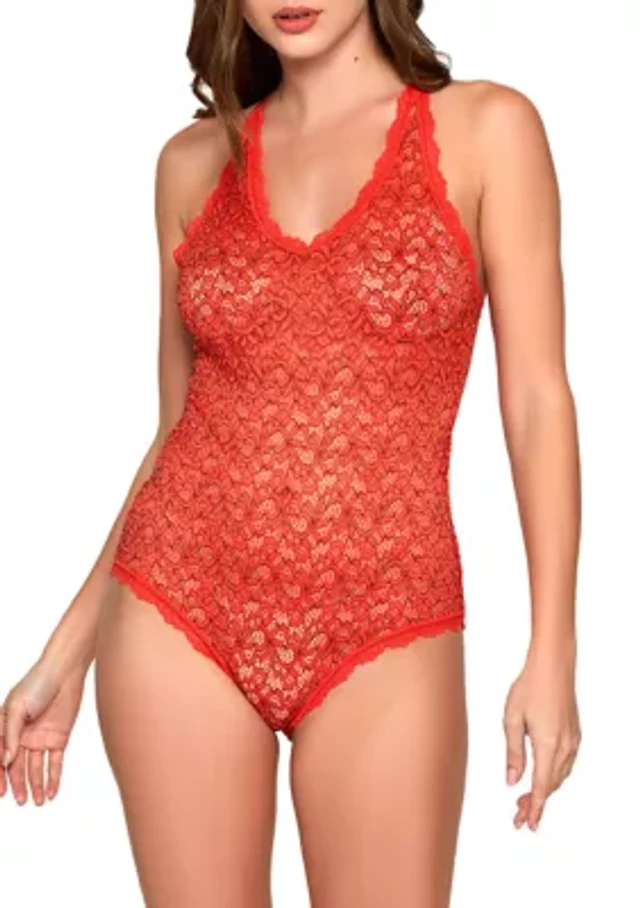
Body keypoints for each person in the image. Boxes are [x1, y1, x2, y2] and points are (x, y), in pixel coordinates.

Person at [0, 1, 582, 905]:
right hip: (178, 608)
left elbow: (538, 403)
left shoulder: (488, 130)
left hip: (389, 616)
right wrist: (67, 652)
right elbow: (179, 429)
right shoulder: (191, 165)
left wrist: (554, 647)